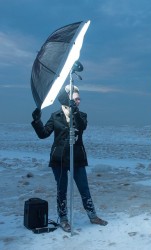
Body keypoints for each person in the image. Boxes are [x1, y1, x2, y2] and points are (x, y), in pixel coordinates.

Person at [31, 84, 108, 232]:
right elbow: (43, 134)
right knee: (61, 190)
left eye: (79, 99)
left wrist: (75, 111)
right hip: (58, 159)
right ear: (67, 99)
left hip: (77, 159)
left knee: (84, 188)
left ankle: (93, 216)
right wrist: (37, 121)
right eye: (75, 99)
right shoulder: (55, 116)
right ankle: (64, 219)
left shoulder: (81, 115)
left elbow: (82, 126)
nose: (78, 101)